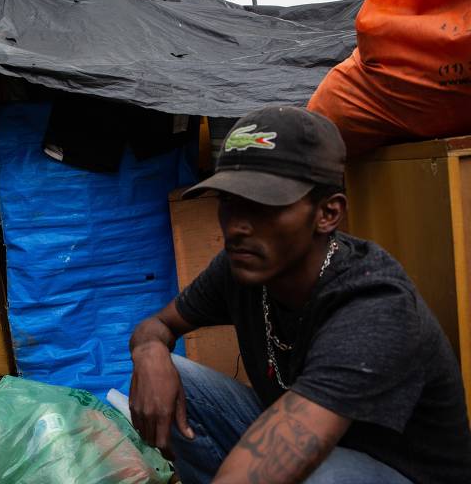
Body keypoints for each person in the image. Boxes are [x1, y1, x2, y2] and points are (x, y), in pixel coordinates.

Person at [129, 106, 471, 484]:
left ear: (328, 213)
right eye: (228, 202)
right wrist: (149, 352)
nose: (237, 226)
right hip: (315, 452)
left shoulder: (374, 305)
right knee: (172, 377)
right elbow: (157, 326)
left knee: (321, 475)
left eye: (263, 206)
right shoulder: (242, 266)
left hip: (392, 474)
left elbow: (284, 451)